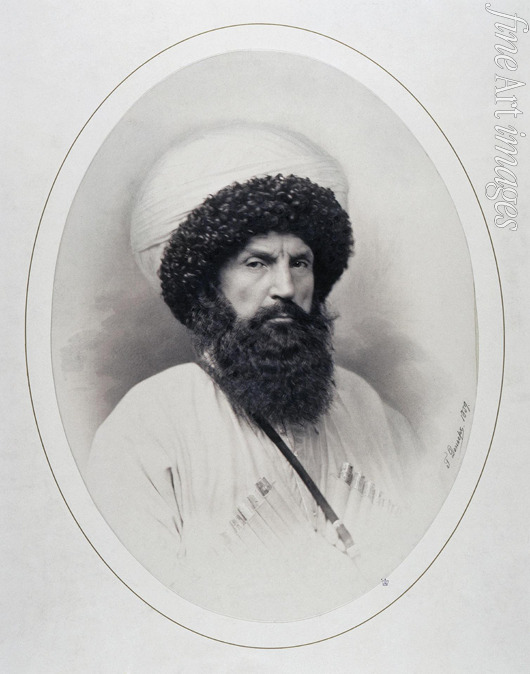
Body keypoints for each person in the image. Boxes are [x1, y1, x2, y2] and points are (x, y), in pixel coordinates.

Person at [85, 124, 423, 621]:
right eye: (257, 263)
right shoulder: (147, 427)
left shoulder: (370, 410)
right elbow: (143, 617)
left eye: (300, 262)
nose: (285, 287)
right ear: (210, 283)